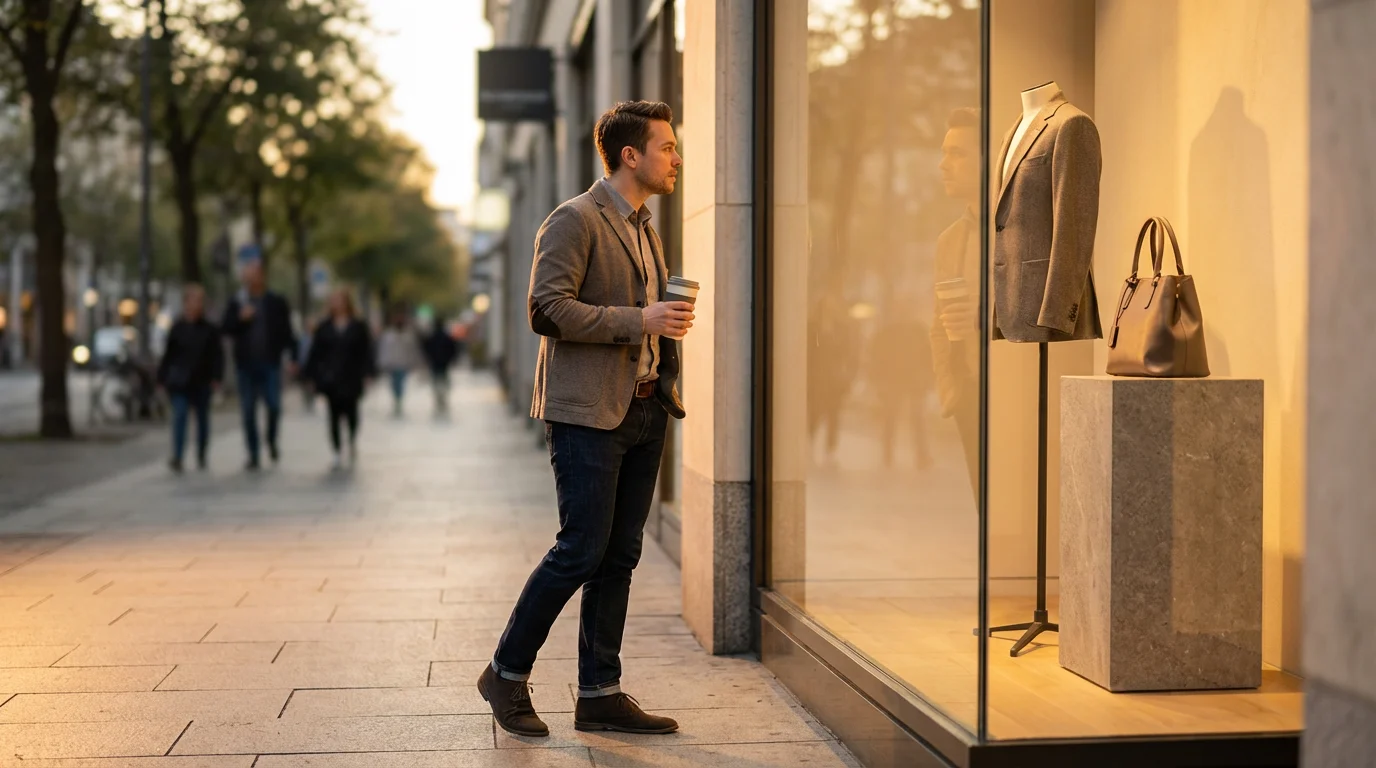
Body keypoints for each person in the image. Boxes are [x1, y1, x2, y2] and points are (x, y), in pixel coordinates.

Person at [477, 101, 691, 739]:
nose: (676, 158)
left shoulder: (645, 227)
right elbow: (546, 309)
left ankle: (599, 691)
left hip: (644, 406)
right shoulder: (574, 219)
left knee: (619, 556)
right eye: (668, 147)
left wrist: (664, 329)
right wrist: (640, 320)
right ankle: (505, 674)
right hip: (586, 415)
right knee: (579, 550)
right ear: (632, 155)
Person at [930, 108, 983, 493]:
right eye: (945, 153)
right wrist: (954, 394)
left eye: (958, 153)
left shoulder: (1018, 233)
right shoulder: (949, 240)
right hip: (971, 399)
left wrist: (981, 321)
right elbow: (938, 322)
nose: (943, 164)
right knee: (986, 506)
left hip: (1015, 396)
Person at [221, 259, 298, 470]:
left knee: (273, 405)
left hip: (270, 363)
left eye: (255, 273)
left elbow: (287, 331)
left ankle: (271, 440)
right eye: (248, 274)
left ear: (262, 276)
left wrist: (293, 357)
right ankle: (253, 453)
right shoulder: (238, 301)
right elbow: (226, 328)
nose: (251, 278)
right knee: (248, 410)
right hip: (245, 364)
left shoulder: (275, 301)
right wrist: (240, 318)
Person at [303, 289, 375, 470]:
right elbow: (315, 353)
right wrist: (310, 376)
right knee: (333, 414)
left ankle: (351, 440)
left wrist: (368, 373)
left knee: (352, 412)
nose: (337, 304)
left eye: (340, 300)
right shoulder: (324, 327)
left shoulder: (358, 326)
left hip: (352, 376)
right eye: (333, 301)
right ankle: (336, 450)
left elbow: (366, 352)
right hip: (331, 378)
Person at [157, 284, 223, 473]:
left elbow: (216, 355)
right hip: (180, 381)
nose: (196, 304)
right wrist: (162, 378)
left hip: (202, 381)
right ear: (186, 302)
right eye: (192, 300)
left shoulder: (209, 329)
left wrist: (216, 377)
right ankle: (178, 455)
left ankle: (201, 453)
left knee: (202, 420)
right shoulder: (177, 327)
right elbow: (168, 354)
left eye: (199, 300)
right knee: (179, 416)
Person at [376, 310, 424, 416]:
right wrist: (382, 362)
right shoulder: (388, 334)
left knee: (400, 384)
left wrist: (414, 363)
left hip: (403, 363)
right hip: (392, 364)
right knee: (394, 384)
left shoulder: (408, 335)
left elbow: (412, 350)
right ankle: (396, 400)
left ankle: (399, 401)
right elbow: (384, 349)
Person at [421, 316, 459, 415]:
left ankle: (439, 397)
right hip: (443, 363)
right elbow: (453, 349)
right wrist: (452, 359)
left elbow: (426, 349)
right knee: (443, 380)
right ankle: (442, 397)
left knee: (436, 380)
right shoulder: (446, 337)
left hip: (436, 362)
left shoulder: (432, 337)